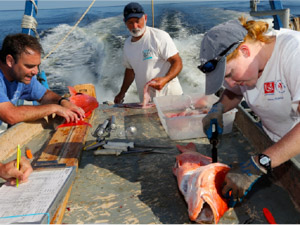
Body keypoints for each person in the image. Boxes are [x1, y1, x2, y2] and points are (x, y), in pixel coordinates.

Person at [199, 17, 300, 205]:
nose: (229, 83)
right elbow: (234, 93)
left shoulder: (294, 52)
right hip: (276, 151)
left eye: (229, 74)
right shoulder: (248, 66)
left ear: (245, 51)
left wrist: (257, 165)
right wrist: (218, 109)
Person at [0, 33, 85, 126]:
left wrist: (63, 102)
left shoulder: (22, 76)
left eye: (37, 66)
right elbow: (10, 115)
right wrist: (54, 108)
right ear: (10, 61)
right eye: (29, 66)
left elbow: (44, 95)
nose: (35, 72)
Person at [114, 2, 183, 104]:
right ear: (124, 22)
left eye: (138, 21)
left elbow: (177, 61)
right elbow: (130, 71)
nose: (135, 26)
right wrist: (122, 93)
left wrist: (165, 79)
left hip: (171, 98)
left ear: (145, 18)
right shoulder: (127, 44)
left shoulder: (160, 36)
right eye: (130, 22)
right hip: (148, 102)